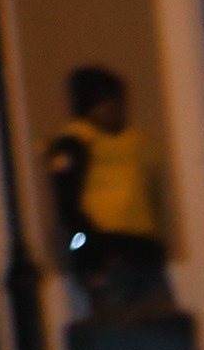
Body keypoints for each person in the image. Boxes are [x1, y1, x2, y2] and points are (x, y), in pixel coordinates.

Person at [45, 66, 172, 320]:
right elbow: (68, 207)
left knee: (161, 327)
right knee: (117, 330)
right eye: (104, 102)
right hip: (108, 255)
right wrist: (91, 250)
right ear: (88, 106)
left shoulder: (135, 141)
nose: (114, 108)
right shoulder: (74, 143)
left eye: (117, 100)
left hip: (144, 251)